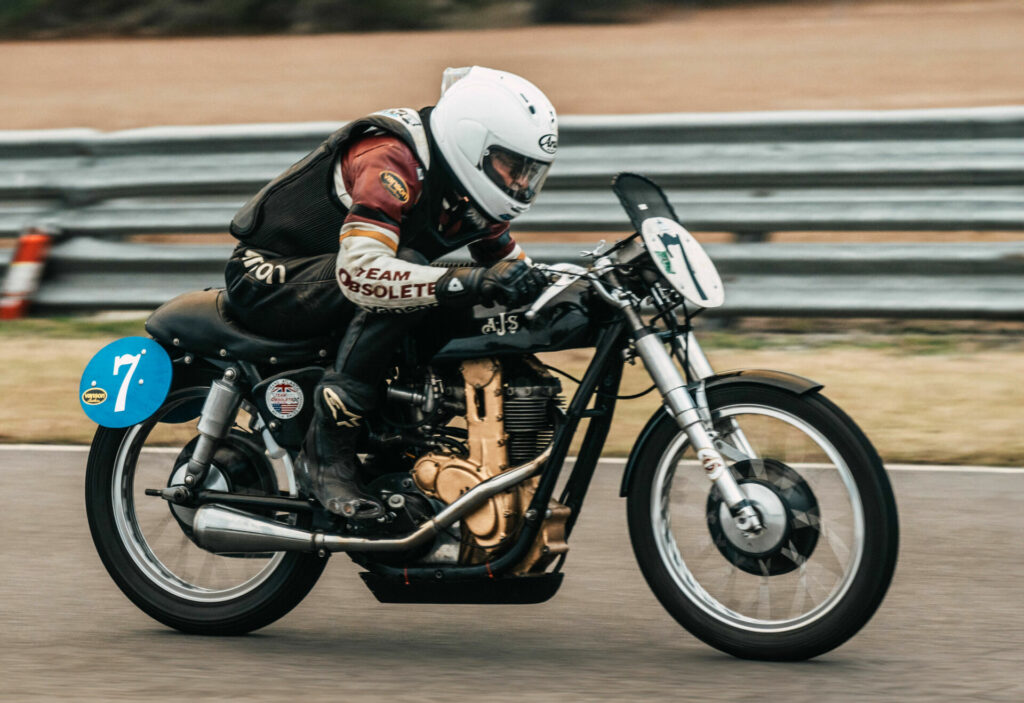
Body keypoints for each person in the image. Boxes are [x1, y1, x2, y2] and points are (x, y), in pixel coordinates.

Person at [223, 66, 558, 520]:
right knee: (422, 278)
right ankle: (326, 450)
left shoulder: (470, 195)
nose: (519, 184)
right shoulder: (391, 158)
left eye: (529, 173)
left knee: (461, 293)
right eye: (511, 167)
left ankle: (404, 442)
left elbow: (516, 272)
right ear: (472, 142)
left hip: (330, 284)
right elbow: (362, 274)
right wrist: (466, 281)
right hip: (267, 276)